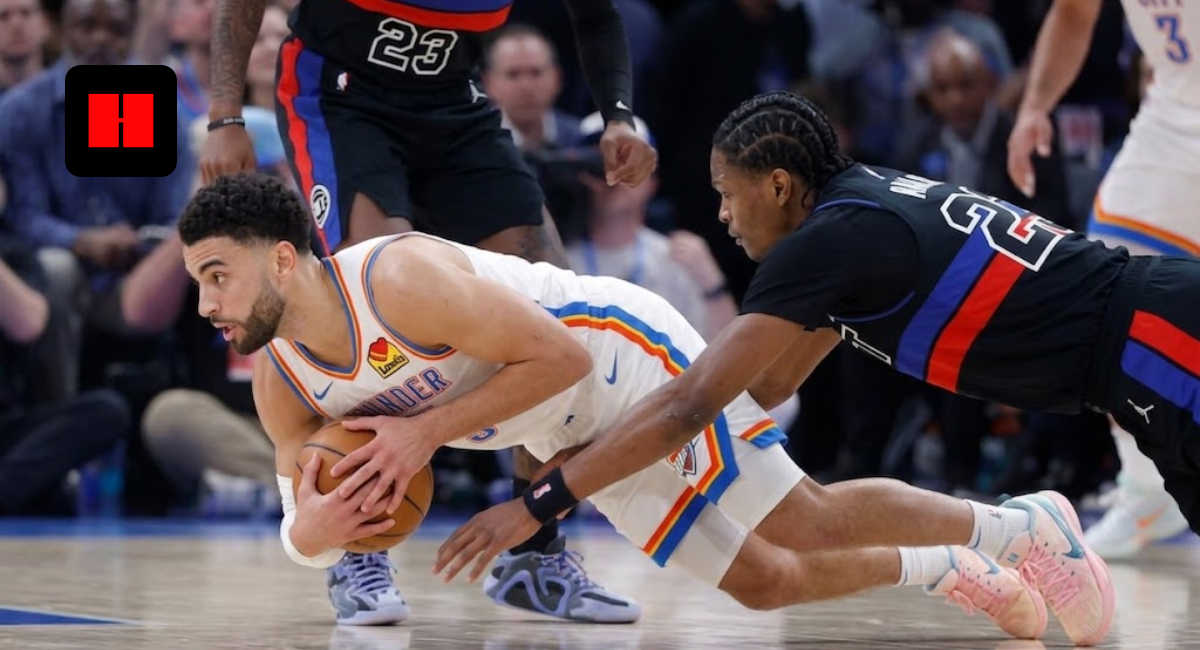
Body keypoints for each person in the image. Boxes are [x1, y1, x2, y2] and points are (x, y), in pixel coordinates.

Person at [180, 173, 1112, 646]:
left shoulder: (399, 278)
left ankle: (1020, 526)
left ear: (286, 260)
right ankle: (947, 568)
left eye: (217, 276)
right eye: (197, 283)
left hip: (621, 352)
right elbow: (298, 529)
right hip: (556, 423)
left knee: (798, 516)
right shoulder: (281, 378)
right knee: (762, 582)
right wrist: (323, 524)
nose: (207, 303)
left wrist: (425, 429)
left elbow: (560, 354)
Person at [431, 89, 1200, 645]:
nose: (723, 217)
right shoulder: (852, 222)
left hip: (1154, 341)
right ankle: (1010, 539)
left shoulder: (823, 246)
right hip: (1139, 354)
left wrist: (539, 501)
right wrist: (600, 453)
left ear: (779, 185)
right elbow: (763, 389)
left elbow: (691, 406)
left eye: (728, 196)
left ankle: (1024, 533)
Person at [198, 0, 655, 624]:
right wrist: (224, 113)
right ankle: (357, 546)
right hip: (338, 95)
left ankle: (535, 552)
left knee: (555, 312)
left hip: (454, 105)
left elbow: (596, 15)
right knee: (369, 298)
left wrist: (619, 115)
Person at [1005, 0, 1200, 560]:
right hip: (1170, 120)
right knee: (1109, 302)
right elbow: (1072, 13)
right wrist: (1035, 106)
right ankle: (1148, 492)